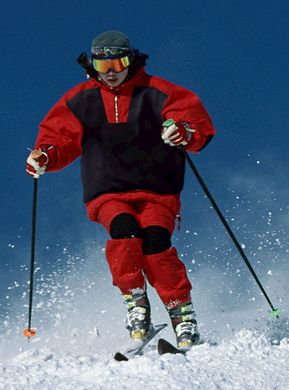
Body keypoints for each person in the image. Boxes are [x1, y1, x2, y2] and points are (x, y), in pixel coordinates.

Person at [26, 31, 215, 349]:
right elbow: (59, 138)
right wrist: (44, 155)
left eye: (119, 62)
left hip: (157, 188)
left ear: (133, 60)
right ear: (92, 65)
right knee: (125, 235)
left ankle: (182, 315)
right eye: (103, 65)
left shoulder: (158, 92)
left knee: (156, 243)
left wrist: (181, 131)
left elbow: (194, 122)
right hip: (108, 190)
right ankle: (136, 304)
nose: (112, 72)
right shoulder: (80, 99)